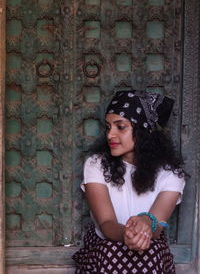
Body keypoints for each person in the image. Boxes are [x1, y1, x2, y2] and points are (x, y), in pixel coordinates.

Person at [73, 90, 186, 274]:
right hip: (104, 245)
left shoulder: (170, 174)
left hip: (150, 246)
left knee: (150, 252)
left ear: (142, 130)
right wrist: (126, 235)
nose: (110, 135)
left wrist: (145, 225)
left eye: (120, 127)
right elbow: (107, 222)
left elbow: (156, 227)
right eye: (108, 127)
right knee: (111, 252)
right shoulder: (96, 165)